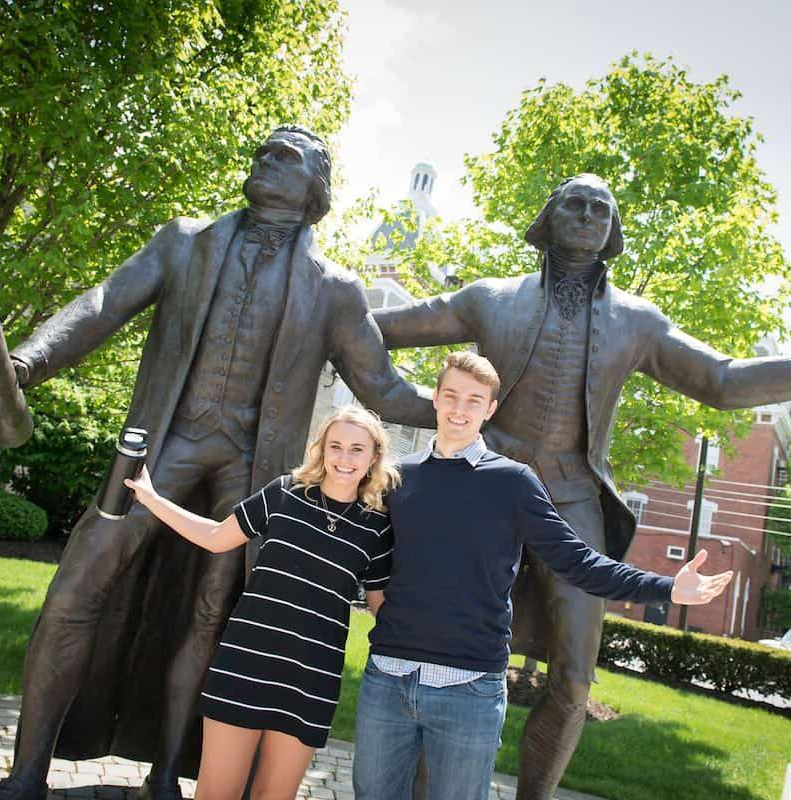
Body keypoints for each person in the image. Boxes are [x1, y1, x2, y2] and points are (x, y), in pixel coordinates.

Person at [0, 126, 433, 800]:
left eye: (284, 156)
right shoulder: (184, 241)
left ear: (315, 186)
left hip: (251, 468)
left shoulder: (335, 288)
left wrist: (467, 410)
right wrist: (24, 363)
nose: (264, 158)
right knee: (78, 585)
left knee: (209, 614)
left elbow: (386, 390)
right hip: (162, 446)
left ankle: (167, 771)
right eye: (261, 150)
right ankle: (28, 771)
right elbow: (102, 306)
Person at [373, 174, 791, 799]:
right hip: (482, 488)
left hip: (571, 501)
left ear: (613, 231)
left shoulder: (637, 321)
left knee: (573, 678)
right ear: (549, 216)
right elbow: (380, 327)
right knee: (449, 656)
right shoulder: (490, 298)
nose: (589, 213)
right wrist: (394, 390)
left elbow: (722, 381)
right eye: (576, 202)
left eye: (603, 207)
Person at [352, 351, 733, 800]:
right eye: (451, 395)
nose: (459, 409)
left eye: (474, 400)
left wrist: (668, 588)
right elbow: (367, 557)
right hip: (389, 678)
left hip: (467, 688)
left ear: (490, 410)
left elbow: (577, 561)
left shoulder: (513, 482)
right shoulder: (400, 477)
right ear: (435, 398)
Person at [119, 405, 397, 800]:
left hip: (311, 678)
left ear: (374, 457)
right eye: (336, 446)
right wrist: (150, 498)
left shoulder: (377, 527)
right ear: (321, 449)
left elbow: (381, 608)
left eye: (357, 449)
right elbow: (216, 536)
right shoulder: (285, 493)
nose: (345, 458)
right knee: (218, 792)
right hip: (245, 664)